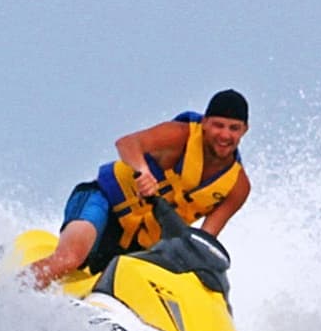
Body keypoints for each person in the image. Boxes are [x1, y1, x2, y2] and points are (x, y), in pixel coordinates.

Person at [29, 89, 252, 287]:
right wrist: (142, 171)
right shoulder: (179, 135)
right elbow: (127, 143)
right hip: (103, 202)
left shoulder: (237, 187)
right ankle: (6, 295)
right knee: (70, 259)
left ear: (245, 130)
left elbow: (202, 241)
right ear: (205, 122)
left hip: (139, 246)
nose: (225, 135)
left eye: (234, 128)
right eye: (218, 125)